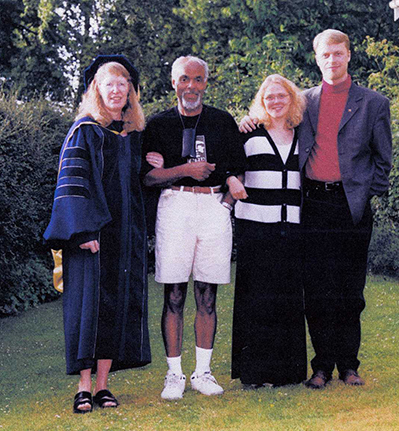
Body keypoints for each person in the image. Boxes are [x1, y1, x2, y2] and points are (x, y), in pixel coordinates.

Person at [240, 29, 392, 389]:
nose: (332, 61)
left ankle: (349, 365)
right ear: (317, 58)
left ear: (349, 56)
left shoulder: (374, 103)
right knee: (318, 288)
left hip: (351, 207)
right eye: (325, 55)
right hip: (313, 205)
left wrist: (364, 193)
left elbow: (383, 160)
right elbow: (274, 121)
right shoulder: (305, 102)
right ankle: (321, 366)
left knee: (351, 290)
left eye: (338, 54)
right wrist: (247, 122)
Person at [44, 55, 151, 413]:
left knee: (115, 308)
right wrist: (82, 231)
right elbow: (72, 184)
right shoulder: (84, 131)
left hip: (124, 238)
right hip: (91, 238)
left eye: (123, 84)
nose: (117, 90)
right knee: (88, 309)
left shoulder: (131, 135)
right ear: (97, 90)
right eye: (110, 84)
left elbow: (136, 186)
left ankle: (104, 385)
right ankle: (84, 387)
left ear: (130, 92)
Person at [142, 56, 246, 400]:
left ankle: (203, 372)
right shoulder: (157, 125)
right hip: (176, 205)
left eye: (198, 79)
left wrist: (227, 206)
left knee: (207, 293)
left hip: (214, 205)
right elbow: (148, 176)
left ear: (206, 82)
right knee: (173, 294)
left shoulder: (222, 121)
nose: (191, 86)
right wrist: (185, 170)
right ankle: (175, 374)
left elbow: (238, 169)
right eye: (184, 79)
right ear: (174, 83)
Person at [231, 74, 307, 387]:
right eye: (269, 97)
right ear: (261, 102)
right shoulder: (249, 134)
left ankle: (286, 373)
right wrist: (230, 178)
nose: (275, 102)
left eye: (281, 96)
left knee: (288, 300)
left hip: (292, 228)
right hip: (255, 227)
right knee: (256, 298)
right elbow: (229, 165)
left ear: (292, 99)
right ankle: (254, 372)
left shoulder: (304, 135)